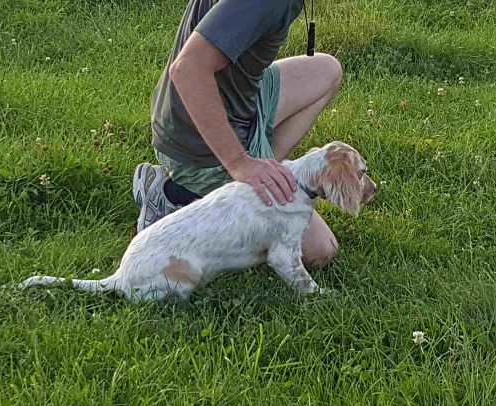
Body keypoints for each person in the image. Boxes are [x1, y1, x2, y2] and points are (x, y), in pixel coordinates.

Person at [132, 0, 343, 268]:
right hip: (197, 144)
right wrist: (239, 163)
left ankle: (263, 175)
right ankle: (172, 197)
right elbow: (188, 68)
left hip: (235, 103)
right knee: (319, 250)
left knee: (326, 70)